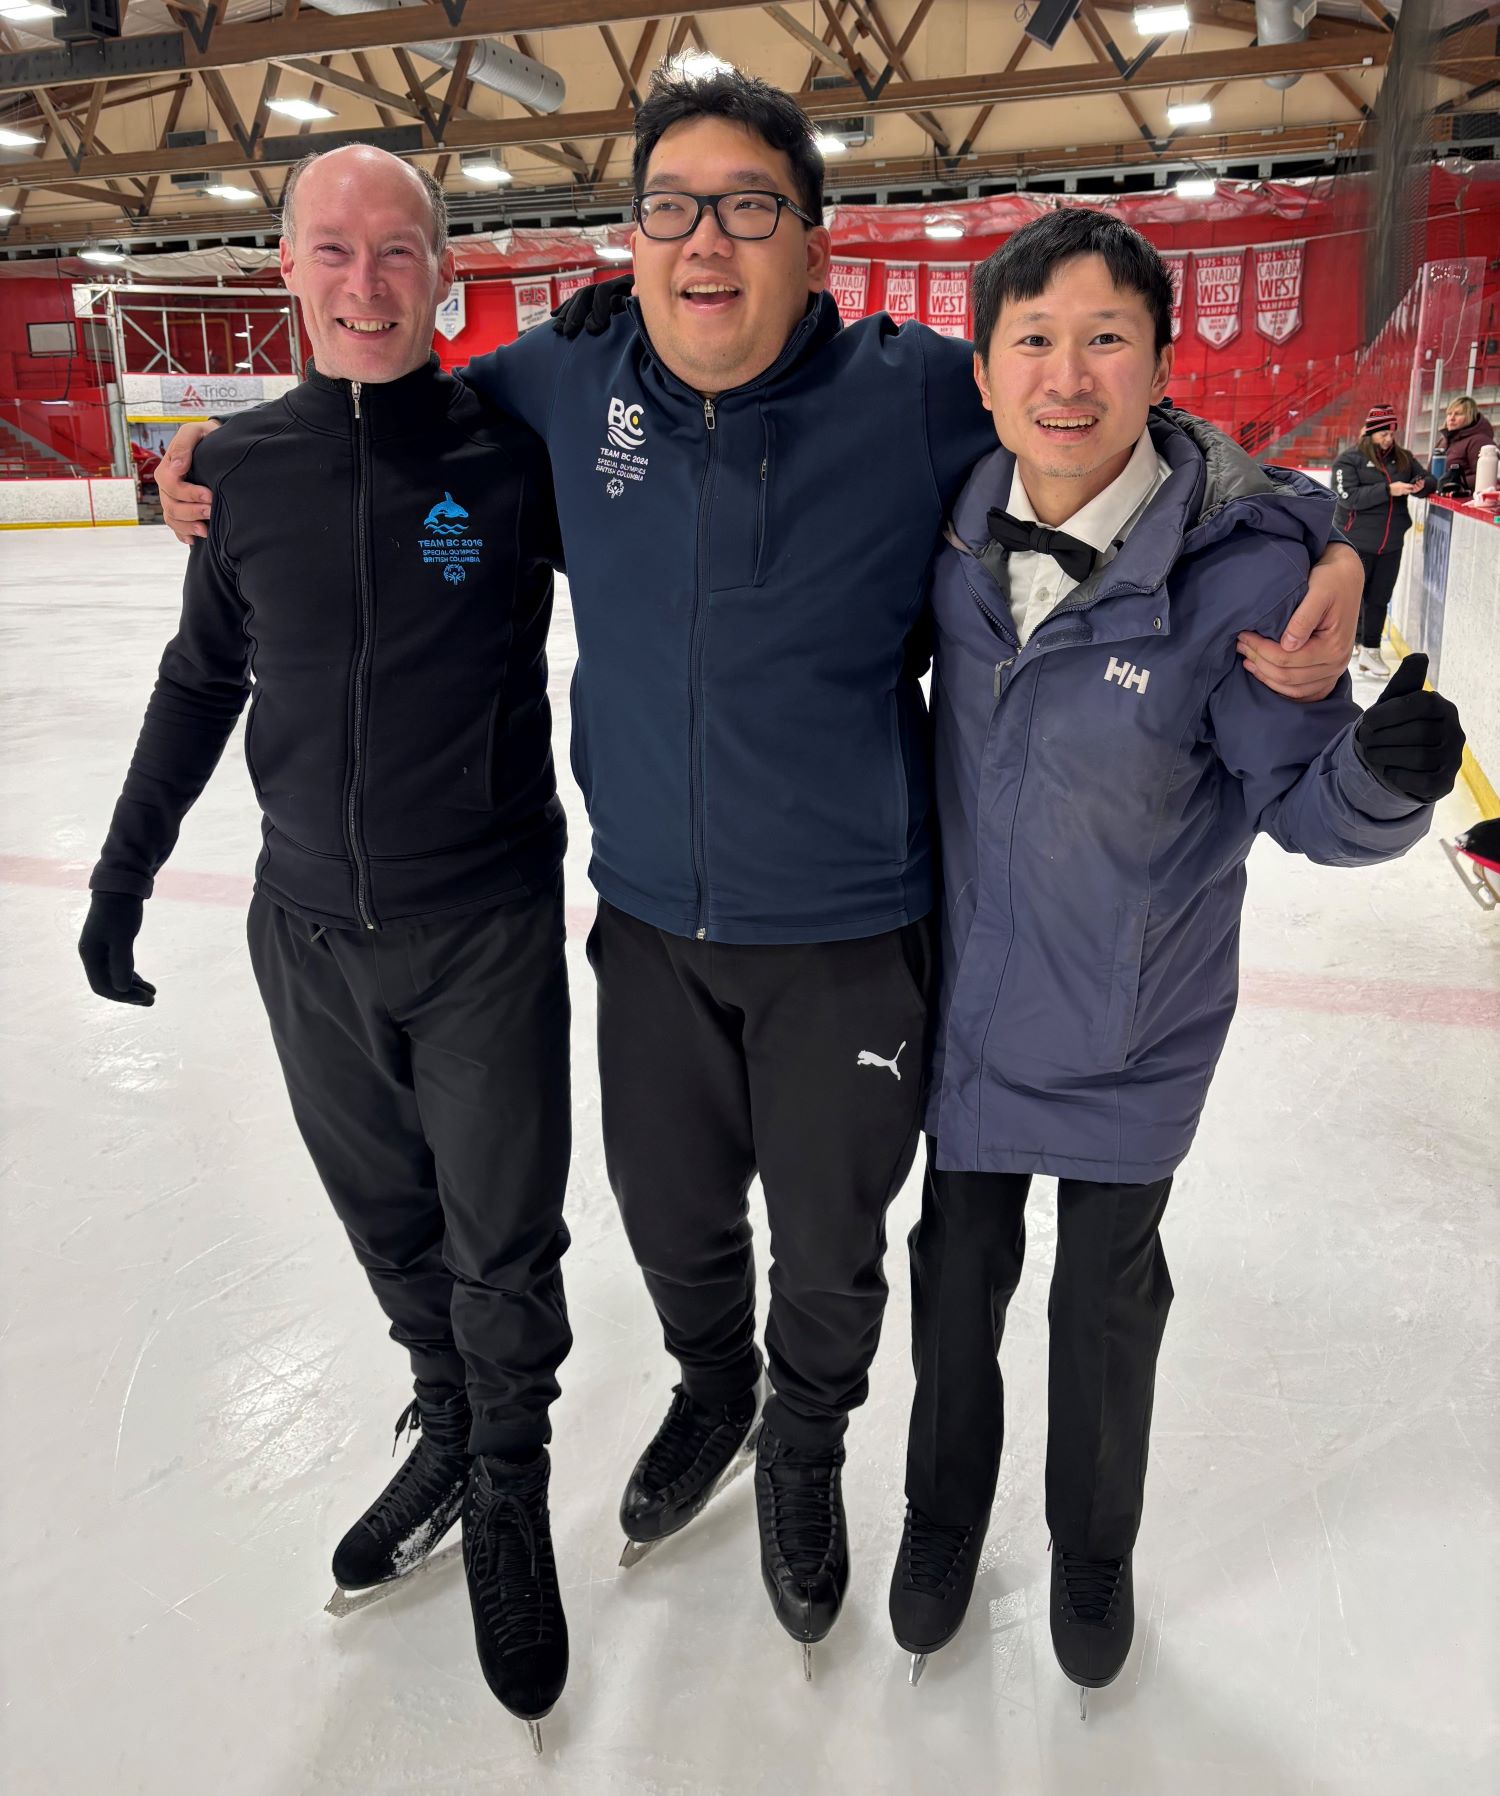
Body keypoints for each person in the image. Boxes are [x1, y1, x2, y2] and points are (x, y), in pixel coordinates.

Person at [153, 66, 1367, 1675]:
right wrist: (211, 466)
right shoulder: (559, 391)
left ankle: (804, 1448)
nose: (705, 240)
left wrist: (1316, 517)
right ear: (632, 237)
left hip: (853, 931)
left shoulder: (917, 389)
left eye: (748, 208)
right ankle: (713, 1393)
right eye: (671, 208)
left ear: (815, 240)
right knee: (670, 1222)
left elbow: (1098, 412)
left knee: (837, 1241)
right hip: (648, 920)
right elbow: (380, 417)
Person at [886, 210, 1465, 1710]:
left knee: (1103, 1297)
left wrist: (1385, 780)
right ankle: (940, 1519)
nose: (1066, 377)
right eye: (1035, 340)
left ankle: (1094, 1543)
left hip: (1136, 1017)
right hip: (970, 1004)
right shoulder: (949, 524)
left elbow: (1303, 799)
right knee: (955, 1279)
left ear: (1159, 363)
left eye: (1105, 340)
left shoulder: (1233, 576)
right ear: (985, 364)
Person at [77, 145, 572, 1750]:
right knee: (391, 1223)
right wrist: (121, 871)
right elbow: (200, 681)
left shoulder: (516, 451)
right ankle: (445, 1419)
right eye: (334, 252)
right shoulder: (238, 465)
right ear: (282, 267)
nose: (366, 284)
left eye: (399, 252)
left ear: (445, 270)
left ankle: (508, 1487)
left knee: (504, 1237)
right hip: (308, 934)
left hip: (483, 920)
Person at [1331, 403, 1434, 676]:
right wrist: (1387, 490)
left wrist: (1424, 483)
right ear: (1371, 433)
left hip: (1391, 544)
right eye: (1383, 433)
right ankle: (1345, 643)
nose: (1389, 438)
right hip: (1357, 542)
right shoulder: (1348, 460)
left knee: (1379, 598)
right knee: (1353, 598)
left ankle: (1371, 651)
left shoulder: (1403, 458)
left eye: (1391, 433)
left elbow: (1427, 479)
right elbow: (1347, 497)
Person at [1434, 394, 1494, 498]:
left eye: (1458, 414)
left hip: (1465, 504)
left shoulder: (1479, 441)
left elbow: (1487, 477)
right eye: (1449, 414)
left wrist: (1456, 482)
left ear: (1470, 416)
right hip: (1441, 503)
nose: (1451, 418)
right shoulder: (1443, 441)